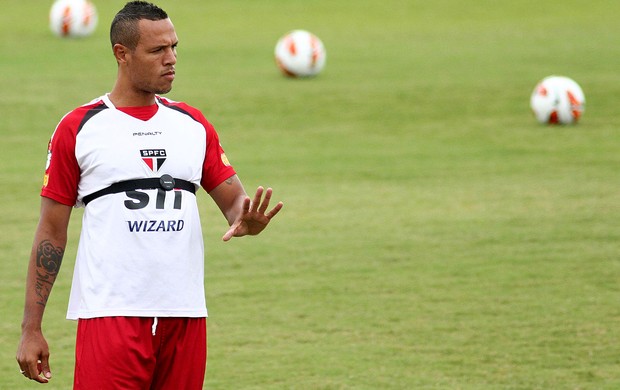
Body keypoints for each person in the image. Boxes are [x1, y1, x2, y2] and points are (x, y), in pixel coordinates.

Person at [16, 1, 283, 388]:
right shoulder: (79, 128)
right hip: (111, 317)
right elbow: (51, 232)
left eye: (174, 47)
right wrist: (31, 327)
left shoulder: (192, 124)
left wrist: (251, 222)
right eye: (158, 50)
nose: (171, 58)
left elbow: (235, 208)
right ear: (121, 54)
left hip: (185, 315)